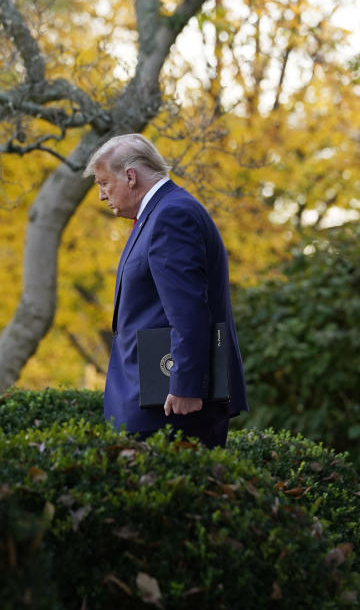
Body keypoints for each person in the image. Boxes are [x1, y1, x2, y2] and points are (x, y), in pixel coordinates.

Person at [84, 133, 248, 448]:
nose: (102, 196)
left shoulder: (171, 215)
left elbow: (189, 310)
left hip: (173, 407)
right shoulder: (159, 214)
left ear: (130, 176)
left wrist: (186, 385)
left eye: (104, 184)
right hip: (155, 401)